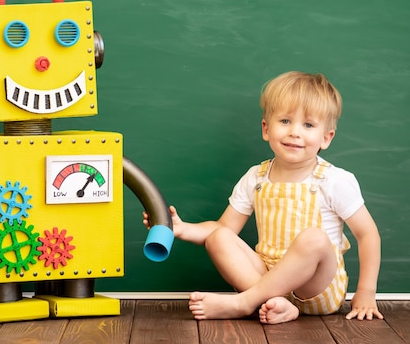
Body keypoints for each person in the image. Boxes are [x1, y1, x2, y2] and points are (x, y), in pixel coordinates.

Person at [143, 71, 382, 323]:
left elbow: (368, 235)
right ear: (266, 129)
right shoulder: (256, 177)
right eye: (285, 121)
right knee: (219, 237)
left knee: (314, 238)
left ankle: (244, 302)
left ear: (326, 138)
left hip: (316, 289)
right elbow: (224, 228)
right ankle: (278, 305)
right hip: (265, 278)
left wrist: (366, 292)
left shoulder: (333, 180)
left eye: (308, 125)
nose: (295, 132)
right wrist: (180, 229)